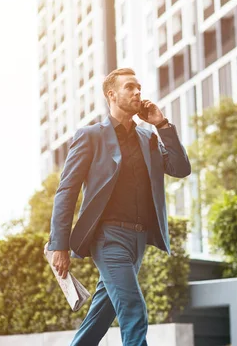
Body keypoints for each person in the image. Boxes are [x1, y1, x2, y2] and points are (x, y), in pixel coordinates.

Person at [47, 67, 191, 346]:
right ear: (111, 94)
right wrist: (59, 244)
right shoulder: (90, 136)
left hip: (138, 240)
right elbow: (67, 191)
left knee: (102, 315)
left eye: (139, 87)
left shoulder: (148, 137)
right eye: (130, 87)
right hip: (107, 237)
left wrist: (162, 126)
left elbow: (180, 168)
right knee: (133, 308)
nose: (138, 92)